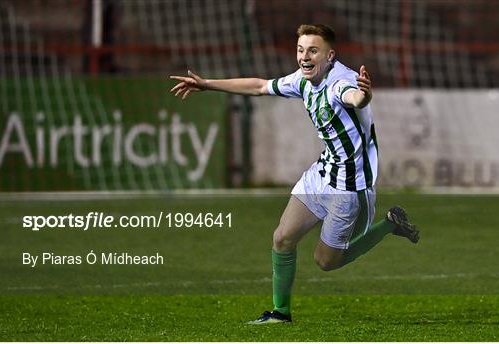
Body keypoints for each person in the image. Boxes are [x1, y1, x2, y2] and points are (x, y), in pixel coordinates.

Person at [170, 24, 419, 324]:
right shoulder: (302, 80)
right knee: (282, 238)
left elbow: (354, 98)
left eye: (313, 50)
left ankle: (390, 224)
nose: (304, 56)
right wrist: (207, 84)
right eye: (301, 50)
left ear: (330, 56)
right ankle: (280, 313)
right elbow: (260, 86)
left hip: (350, 187)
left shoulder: (341, 82)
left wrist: (364, 95)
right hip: (323, 173)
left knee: (325, 262)